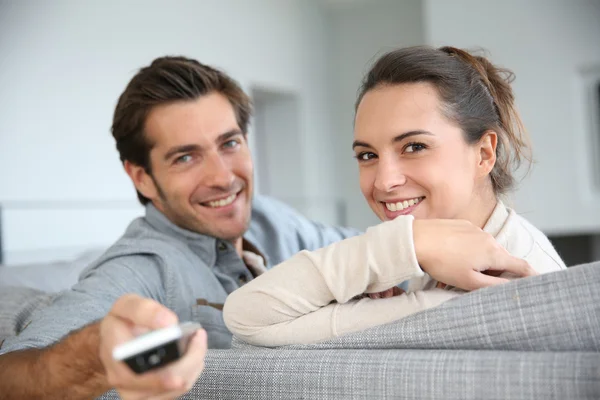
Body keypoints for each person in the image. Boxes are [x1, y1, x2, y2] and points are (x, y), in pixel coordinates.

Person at [0, 56, 361, 400]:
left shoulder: (271, 219)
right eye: (186, 157)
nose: (223, 177)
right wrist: (94, 355)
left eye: (229, 143)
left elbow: (359, 251)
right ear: (142, 178)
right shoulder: (140, 269)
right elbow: (10, 380)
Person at [223, 45, 567, 347]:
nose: (384, 182)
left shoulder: (506, 288)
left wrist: (405, 243)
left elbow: (246, 316)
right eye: (367, 155)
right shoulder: (441, 262)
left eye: (414, 146)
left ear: (483, 154)